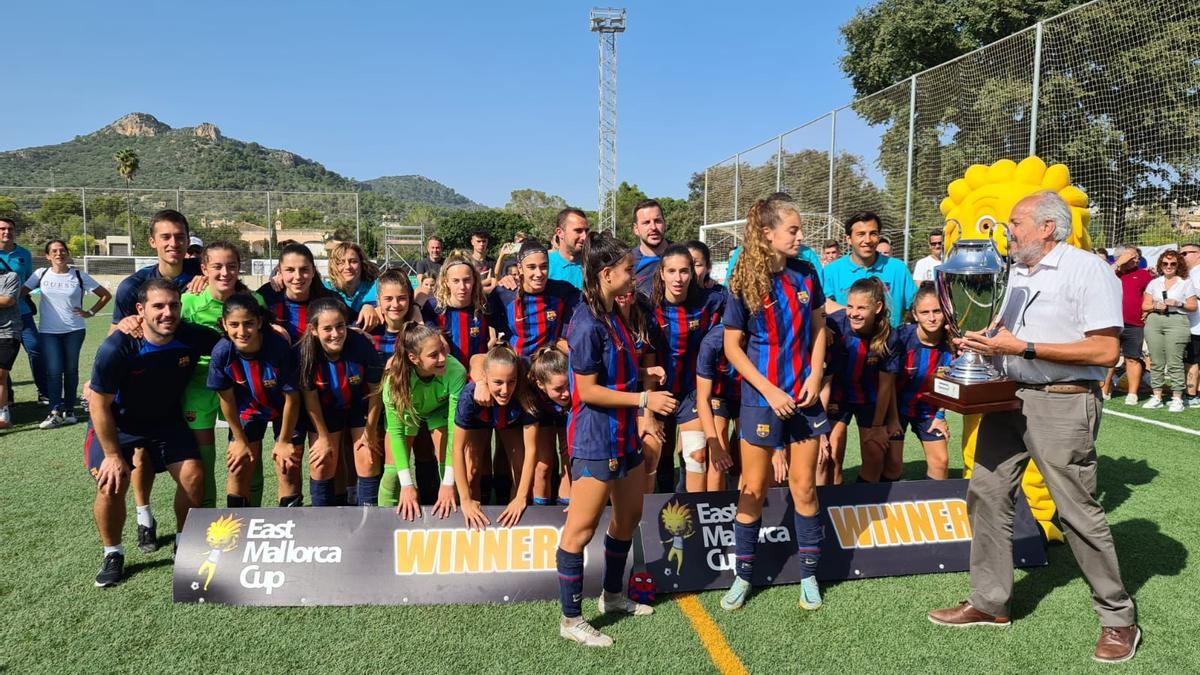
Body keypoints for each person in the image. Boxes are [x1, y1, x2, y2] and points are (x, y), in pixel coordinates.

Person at [928, 190, 1138, 665]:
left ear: (1048, 226)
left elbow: (1105, 352)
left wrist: (1023, 348)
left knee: (1076, 510)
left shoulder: (1088, 269)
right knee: (985, 492)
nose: (1007, 230)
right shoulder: (1013, 272)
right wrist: (982, 343)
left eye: (1016, 222)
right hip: (1006, 397)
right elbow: (1007, 338)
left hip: (1063, 401)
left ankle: (1118, 618)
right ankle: (989, 602)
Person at [556, 231, 668, 647]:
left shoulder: (616, 315)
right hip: (594, 441)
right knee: (579, 532)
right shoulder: (586, 324)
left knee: (627, 520)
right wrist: (643, 396)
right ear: (606, 275)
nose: (634, 275)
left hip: (624, 439)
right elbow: (587, 391)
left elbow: (612, 375)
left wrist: (643, 374)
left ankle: (613, 596)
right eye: (627, 269)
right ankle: (570, 619)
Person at [720, 194, 829, 612]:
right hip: (761, 400)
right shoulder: (744, 281)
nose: (801, 236)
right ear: (768, 234)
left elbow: (819, 329)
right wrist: (768, 390)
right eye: (794, 229)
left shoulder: (806, 274)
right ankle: (743, 577)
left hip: (804, 398)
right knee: (752, 488)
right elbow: (733, 348)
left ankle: (809, 576)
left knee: (804, 487)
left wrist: (816, 377)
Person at [85, 278, 220, 587]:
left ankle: (184, 542)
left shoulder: (189, 336)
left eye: (173, 305)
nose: (167, 313)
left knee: (193, 475)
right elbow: (98, 404)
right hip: (119, 425)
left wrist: (271, 329)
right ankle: (113, 554)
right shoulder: (117, 346)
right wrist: (111, 455)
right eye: (158, 306)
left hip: (165, 422)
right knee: (111, 483)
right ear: (140, 309)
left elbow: (234, 337)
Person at [207, 294, 302, 507]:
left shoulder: (278, 347)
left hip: (283, 408)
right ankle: (237, 531)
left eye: (248, 324)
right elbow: (227, 400)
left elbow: (292, 399)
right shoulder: (222, 352)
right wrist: (239, 440)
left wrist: (284, 441)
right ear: (224, 324)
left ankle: (289, 529)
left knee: (288, 466)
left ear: (259, 322)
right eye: (234, 325)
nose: (241, 332)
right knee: (238, 465)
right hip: (248, 410)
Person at [646, 244, 725, 493]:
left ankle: (694, 520)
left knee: (697, 456)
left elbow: (743, 308)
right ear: (661, 273)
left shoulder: (710, 301)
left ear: (693, 273)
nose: (677, 278)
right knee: (651, 458)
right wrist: (647, 408)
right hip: (656, 394)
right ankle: (641, 522)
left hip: (691, 393)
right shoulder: (648, 307)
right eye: (671, 271)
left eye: (683, 271)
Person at [295, 298, 383, 506]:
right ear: (314, 330)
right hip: (326, 410)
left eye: (340, 326)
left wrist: (370, 432)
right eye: (327, 329)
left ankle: (368, 515)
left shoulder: (360, 343)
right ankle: (322, 519)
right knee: (322, 460)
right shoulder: (305, 353)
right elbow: (311, 399)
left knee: (368, 455)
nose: (335, 333)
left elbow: (375, 391)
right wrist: (323, 437)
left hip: (359, 406)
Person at [22, 239, 111, 429]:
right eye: (54, 251)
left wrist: (90, 312)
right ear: (47, 256)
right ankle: (55, 412)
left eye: (62, 250)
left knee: (71, 371)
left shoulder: (78, 275)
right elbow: (20, 293)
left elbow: (105, 295)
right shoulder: (40, 274)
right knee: (53, 371)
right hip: (48, 331)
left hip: (74, 330)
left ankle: (69, 410)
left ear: (67, 253)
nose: (58, 254)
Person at [823, 278, 902, 485]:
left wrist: (878, 426)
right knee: (830, 454)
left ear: (877, 307)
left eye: (861, 308)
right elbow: (813, 305)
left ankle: (863, 504)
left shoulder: (889, 337)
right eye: (850, 306)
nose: (854, 313)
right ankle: (833, 505)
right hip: (837, 396)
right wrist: (820, 324)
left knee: (875, 455)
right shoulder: (837, 324)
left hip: (869, 398)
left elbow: (886, 385)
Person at [384, 321, 466, 517]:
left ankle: (451, 517)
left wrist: (447, 484)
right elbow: (396, 433)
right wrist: (407, 485)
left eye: (442, 350)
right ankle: (379, 525)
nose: (442, 358)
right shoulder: (394, 382)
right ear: (414, 358)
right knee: (393, 473)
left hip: (440, 411)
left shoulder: (456, 371)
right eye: (433, 355)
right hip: (409, 411)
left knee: (451, 470)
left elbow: (456, 430)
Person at [453, 344, 538, 528]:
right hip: (479, 418)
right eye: (498, 382)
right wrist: (465, 500)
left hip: (511, 419)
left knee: (519, 467)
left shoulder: (526, 391)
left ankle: (515, 517)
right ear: (485, 377)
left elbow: (532, 450)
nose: (506, 390)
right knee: (471, 472)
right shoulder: (469, 396)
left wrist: (521, 498)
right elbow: (457, 449)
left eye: (511, 381)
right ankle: (474, 521)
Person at [368, 270, 422, 506]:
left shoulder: (418, 331)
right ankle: (372, 517)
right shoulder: (367, 330)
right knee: (375, 464)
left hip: (406, 411)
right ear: (378, 301)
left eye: (401, 298)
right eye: (388, 299)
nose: (395, 304)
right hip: (371, 409)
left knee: (396, 468)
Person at [890, 283, 953, 480]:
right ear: (915, 315)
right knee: (892, 467)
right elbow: (887, 384)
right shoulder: (900, 339)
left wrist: (940, 415)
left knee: (940, 464)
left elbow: (951, 384)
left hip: (930, 411)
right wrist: (890, 419)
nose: (932, 318)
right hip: (895, 408)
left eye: (937, 311)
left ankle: (934, 507)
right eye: (925, 312)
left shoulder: (954, 341)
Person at [822, 211, 917, 328]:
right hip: (847, 344)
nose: (868, 240)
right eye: (861, 234)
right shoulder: (831, 271)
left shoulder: (898, 269)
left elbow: (916, 307)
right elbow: (822, 309)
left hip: (889, 343)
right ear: (848, 239)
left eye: (873, 233)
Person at [487, 239, 579, 358]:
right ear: (520, 268)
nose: (539, 273)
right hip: (518, 366)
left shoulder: (562, 290)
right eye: (531, 267)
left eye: (544, 266)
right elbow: (486, 317)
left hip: (549, 368)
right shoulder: (504, 293)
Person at [1140, 250, 1197, 412]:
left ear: (1178, 264)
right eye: (1165, 263)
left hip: (1177, 320)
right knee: (1156, 360)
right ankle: (1156, 396)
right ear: (1160, 265)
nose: (1169, 266)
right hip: (1155, 320)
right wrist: (1155, 306)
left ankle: (1177, 398)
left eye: (1172, 263)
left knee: (1175, 361)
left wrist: (1178, 303)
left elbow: (1193, 306)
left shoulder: (1185, 282)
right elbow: (1145, 305)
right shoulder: (1154, 282)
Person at [0, 217, 46, 406]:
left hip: (23, 312)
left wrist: (18, 296)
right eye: (2, 228)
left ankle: (43, 392)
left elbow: (28, 282)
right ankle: (7, 398)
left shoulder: (24, 254)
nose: (6, 232)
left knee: (35, 349)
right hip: (1, 316)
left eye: (10, 228)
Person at [421, 252, 491, 370]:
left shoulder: (484, 306)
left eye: (467, 280)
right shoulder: (433, 308)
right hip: (445, 378)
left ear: (474, 280)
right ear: (446, 281)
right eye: (456, 281)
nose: (462, 287)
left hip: (477, 378)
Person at [726, 193, 823, 274]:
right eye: (792, 231)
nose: (801, 237)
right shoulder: (742, 255)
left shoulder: (807, 262)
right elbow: (730, 289)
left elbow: (821, 292)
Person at [694, 323, 738, 491]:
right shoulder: (712, 343)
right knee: (719, 452)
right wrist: (715, 446)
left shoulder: (759, 334)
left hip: (749, 395)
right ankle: (715, 509)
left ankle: (744, 506)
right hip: (719, 395)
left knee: (750, 453)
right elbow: (703, 398)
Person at [1108, 245, 1152, 404]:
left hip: (1134, 324)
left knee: (1133, 358)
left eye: (1137, 257)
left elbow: (1153, 293)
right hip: (1111, 323)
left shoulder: (1144, 274)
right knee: (1109, 358)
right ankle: (1105, 390)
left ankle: (1132, 394)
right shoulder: (1111, 272)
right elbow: (1099, 276)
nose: (1137, 259)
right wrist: (1118, 263)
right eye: (1133, 256)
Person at [530, 346, 572, 505]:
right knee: (543, 464)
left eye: (568, 385)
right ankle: (540, 514)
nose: (566, 392)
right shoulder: (531, 389)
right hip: (542, 414)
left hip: (568, 412)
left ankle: (566, 507)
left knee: (569, 461)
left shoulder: (573, 394)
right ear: (541, 384)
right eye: (558, 389)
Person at [324, 242, 383, 331]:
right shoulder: (326, 289)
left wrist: (379, 308)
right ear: (333, 266)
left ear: (362, 264)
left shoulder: (377, 286)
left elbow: (409, 291)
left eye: (353, 261)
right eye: (341, 262)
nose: (347, 266)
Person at [630, 199, 670, 295]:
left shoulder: (682, 255)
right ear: (636, 229)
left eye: (657, 221)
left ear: (665, 224)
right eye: (646, 222)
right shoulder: (628, 261)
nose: (653, 227)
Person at [0, 256, 21, 429]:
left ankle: (2, 415)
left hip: (7, 332)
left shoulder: (10, 277)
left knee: (0, 375)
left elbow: (8, 300)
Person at [547, 208, 590, 289]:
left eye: (586, 231)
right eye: (578, 231)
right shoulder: (545, 265)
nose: (585, 237)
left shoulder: (594, 266)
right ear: (560, 233)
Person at [1181, 242, 1200, 407]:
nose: (1182, 256)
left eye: (1185, 253)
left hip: (1195, 326)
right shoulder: (1191, 274)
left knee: (1191, 361)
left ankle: (1191, 395)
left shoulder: (1196, 274)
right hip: (1194, 325)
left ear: (1198, 254)